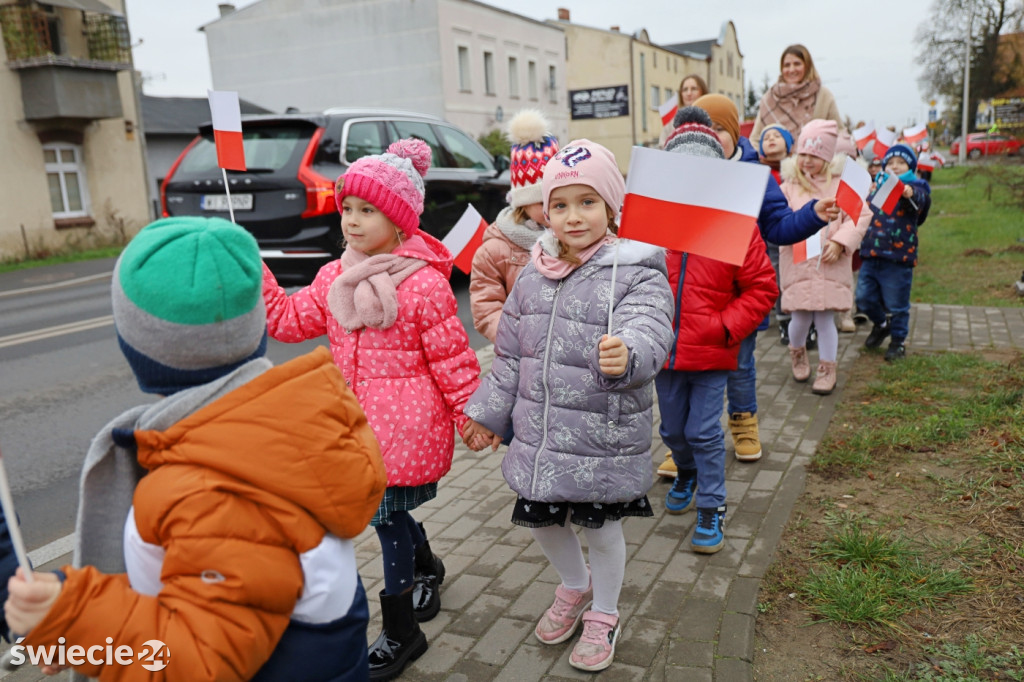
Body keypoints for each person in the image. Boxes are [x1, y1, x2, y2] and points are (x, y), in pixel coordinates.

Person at [4, 216, 388, 681]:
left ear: (138, 347)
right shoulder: (271, 433)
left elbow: (200, 661)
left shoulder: (214, 488)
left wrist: (76, 619)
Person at [261, 139, 482, 680]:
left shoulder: (425, 285)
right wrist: (259, 278)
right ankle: (428, 565)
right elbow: (288, 322)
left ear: (401, 221)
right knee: (391, 514)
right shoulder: (334, 279)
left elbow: (453, 359)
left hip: (407, 427)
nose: (353, 222)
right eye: (347, 209)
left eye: (368, 211)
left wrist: (473, 416)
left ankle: (403, 630)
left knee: (383, 519)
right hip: (355, 425)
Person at [462, 139, 674, 672]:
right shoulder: (534, 272)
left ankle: (604, 612)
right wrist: (487, 413)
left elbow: (652, 329)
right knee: (541, 520)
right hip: (540, 434)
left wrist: (626, 353)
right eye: (560, 204)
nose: (572, 216)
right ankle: (574, 586)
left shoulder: (638, 269)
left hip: (601, 435)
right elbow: (509, 351)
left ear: (611, 207)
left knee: (600, 528)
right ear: (544, 211)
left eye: (587, 202)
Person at [656, 96, 835, 479]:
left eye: (721, 129)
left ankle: (743, 423)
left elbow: (779, 226)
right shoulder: (682, 174)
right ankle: (681, 450)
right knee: (685, 377)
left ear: (735, 134)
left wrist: (812, 215)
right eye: (708, 129)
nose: (714, 136)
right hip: (690, 305)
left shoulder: (755, 175)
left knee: (740, 368)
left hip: (735, 303)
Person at [657, 108, 778, 554]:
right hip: (664, 354)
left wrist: (726, 327)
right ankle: (685, 471)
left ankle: (712, 505)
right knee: (673, 431)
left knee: (705, 432)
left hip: (712, 353)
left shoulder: (734, 227)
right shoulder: (655, 228)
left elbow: (763, 286)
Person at [779, 120, 871, 394]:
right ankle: (797, 352)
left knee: (825, 321)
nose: (808, 161)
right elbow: (781, 219)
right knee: (799, 321)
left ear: (828, 158)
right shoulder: (788, 187)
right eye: (804, 154)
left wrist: (841, 242)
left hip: (831, 266)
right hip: (799, 266)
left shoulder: (841, 187)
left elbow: (860, 215)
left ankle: (827, 368)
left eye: (816, 156)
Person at [470, 109, 559, 342]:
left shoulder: (575, 235)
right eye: (542, 201)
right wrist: (515, 339)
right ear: (523, 202)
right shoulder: (496, 249)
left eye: (559, 199)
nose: (552, 207)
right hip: (522, 351)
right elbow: (486, 306)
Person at [856, 144, 932, 361]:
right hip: (871, 254)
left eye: (901, 163)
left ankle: (898, 342)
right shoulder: (878, 186)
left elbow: (920, 204)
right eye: (890, 162)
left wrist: (910, 192)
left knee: (897, 304)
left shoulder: (918, 187)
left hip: (898, 259)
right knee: (863, 298)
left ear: (911, 166)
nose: (895, 166)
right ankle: (881, 325)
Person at [750, 44, 843, 143]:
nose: (791, 70)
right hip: (775, 158)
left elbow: (839, 133)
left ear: (807, 66)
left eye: (797, 64)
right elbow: (755, 139)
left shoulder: (823, 95)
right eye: (787, 65)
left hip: (815, 157)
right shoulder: (769, 99)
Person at [658, 74, 709, 148]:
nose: (689, 93)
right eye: (685, 90)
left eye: (694, 89)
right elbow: (662, 146)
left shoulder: (711, 117)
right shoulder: (672, 122)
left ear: (702, 92)